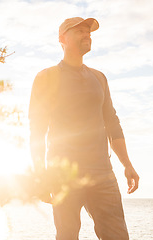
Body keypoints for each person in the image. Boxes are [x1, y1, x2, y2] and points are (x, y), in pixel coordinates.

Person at [28, 17, 140, 240]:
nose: (87, 34)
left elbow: (112, 123)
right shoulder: (46, 77)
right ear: (62, 38)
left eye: (88, 31)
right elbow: (37, 129)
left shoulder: (99, 78)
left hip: (103, 174)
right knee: (67, 235)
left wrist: (127, 164)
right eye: (79, 31)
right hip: (63, 175)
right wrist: (40, 174)